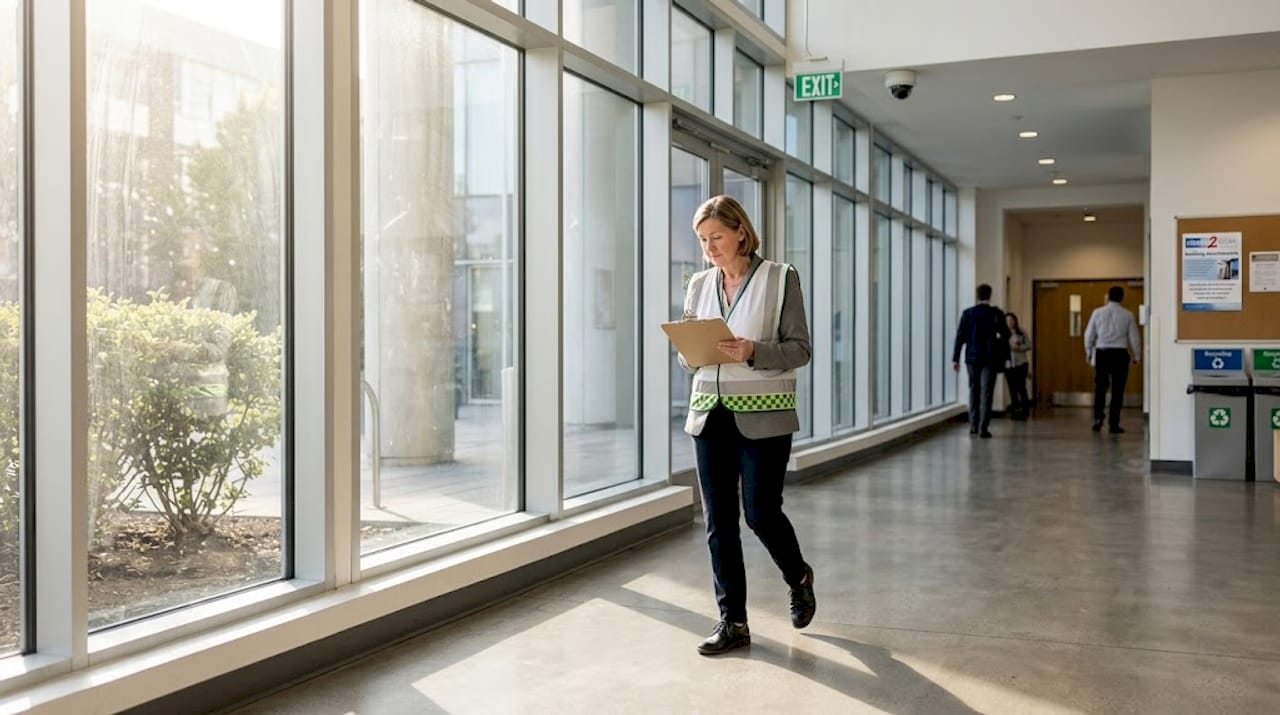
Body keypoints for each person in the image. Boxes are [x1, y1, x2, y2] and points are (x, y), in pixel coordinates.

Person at [680, 195, 816, 656]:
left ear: (741, 231)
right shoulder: (698, 284)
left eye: (716, 237)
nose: (709, 247)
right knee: (719, 522)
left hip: (765, 413)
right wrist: (689, 350)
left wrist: (753, 351)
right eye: (702, 240)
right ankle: (733, 621)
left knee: (760, 512)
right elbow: (691, 354)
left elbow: (799, 349)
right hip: (709, 412)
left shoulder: (780, 279)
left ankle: (798, 576)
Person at [952, 284, 1008, 438]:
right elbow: (1006, 335)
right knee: (987, 392)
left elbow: (960, 337)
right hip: (990, 358)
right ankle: (984, 427)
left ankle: (973, 425)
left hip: (972, 357)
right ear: (990, 296)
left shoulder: (968, 314)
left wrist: (955, 358)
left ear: (977, 296)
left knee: (974, 389)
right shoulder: (996, 314)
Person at [1084, 285, 1141, 433]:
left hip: (1102, 353)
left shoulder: (1097, 312)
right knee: (1118, 390)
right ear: (1122, 297)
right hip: (1120, 354)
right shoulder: (1128, 315)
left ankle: (1098, 419)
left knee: (1100, 388)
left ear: (1108, 296)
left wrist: (1089, 351)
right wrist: (1137, 355)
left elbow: (1089, 334)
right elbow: (1134, 337)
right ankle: (1114, 423)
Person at [1004, 313, 1031, 420]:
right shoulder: (1003, 333)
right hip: (1009, 365)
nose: (1009, 322)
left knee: (1021, 387)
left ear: (1015, 321)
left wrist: (1019, 348)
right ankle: (1015, 411)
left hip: (1021, 363)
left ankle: (1025, 410)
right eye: (1007, 321)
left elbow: (1029, 345)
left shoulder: (1021, 332)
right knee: (1012, 389)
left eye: (1011, 320)